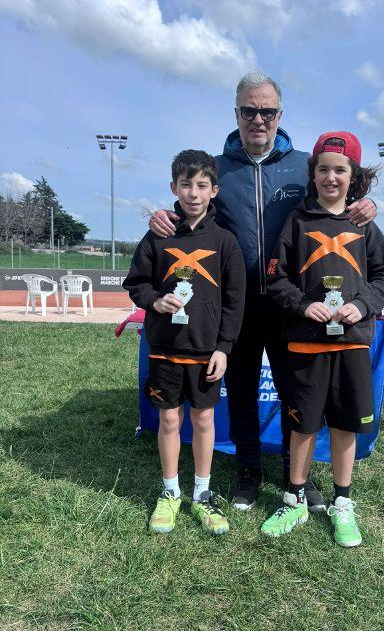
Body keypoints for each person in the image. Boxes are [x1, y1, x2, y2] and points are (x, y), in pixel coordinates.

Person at [148, 73, 377, 512]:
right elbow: (193, 205)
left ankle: (299, 477)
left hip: (294, 303)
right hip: (237, 305)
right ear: (236, 113)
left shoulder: (304, 165)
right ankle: (249, 469)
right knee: (242, 389)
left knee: (297, 393)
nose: (258, 119)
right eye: (249, 110)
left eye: (267, 111)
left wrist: (366, 203)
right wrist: (163, 215)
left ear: (279, 115)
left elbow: (336, 197)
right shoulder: (218, 168)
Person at [260, 131, 384, 546]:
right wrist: (304, 305)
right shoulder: (297, 221)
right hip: (305, 344)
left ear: (353, 176)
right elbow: (276, 277)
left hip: (351, 343)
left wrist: (363, 305)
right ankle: (295, 499)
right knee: (302, 425)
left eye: (340, 170)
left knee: (344, 425)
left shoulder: (363, 224)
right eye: (323, 169)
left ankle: (342, 502)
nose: (331, 177)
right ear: (314, 173)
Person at [123, 149, 246, 535]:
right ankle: (170, 491)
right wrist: (154, 301)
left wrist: (224, 347)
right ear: (173, 187)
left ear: (214, 191)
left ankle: (203, 493)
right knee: (169, 418)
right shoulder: (157, 235)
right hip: (164, 347)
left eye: (202, 185)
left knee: (204, 418)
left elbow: (235, 301)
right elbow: (136, 283)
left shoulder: (225, 241)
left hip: (205, 350)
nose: (194, 193)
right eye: (186, 184)